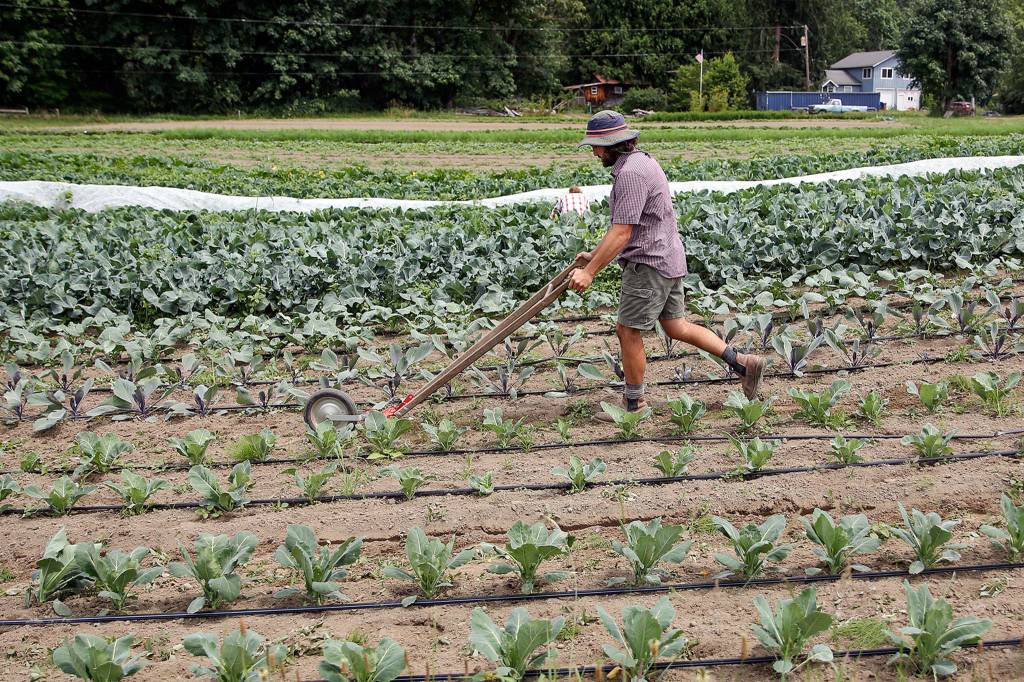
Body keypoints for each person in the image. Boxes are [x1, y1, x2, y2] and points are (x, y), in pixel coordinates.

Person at [567, 110, 765, 417]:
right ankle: (743, 362)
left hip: (648, 265)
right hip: (668, 257)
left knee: (627, 331)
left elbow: (623, 231)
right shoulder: (643, 161)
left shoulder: (630, 173)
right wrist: (595, 255)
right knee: (676, 326)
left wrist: (590, 272)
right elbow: (632, 225)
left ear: (612, 144)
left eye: (597, 146)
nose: (593, 152)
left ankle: (634, 405)